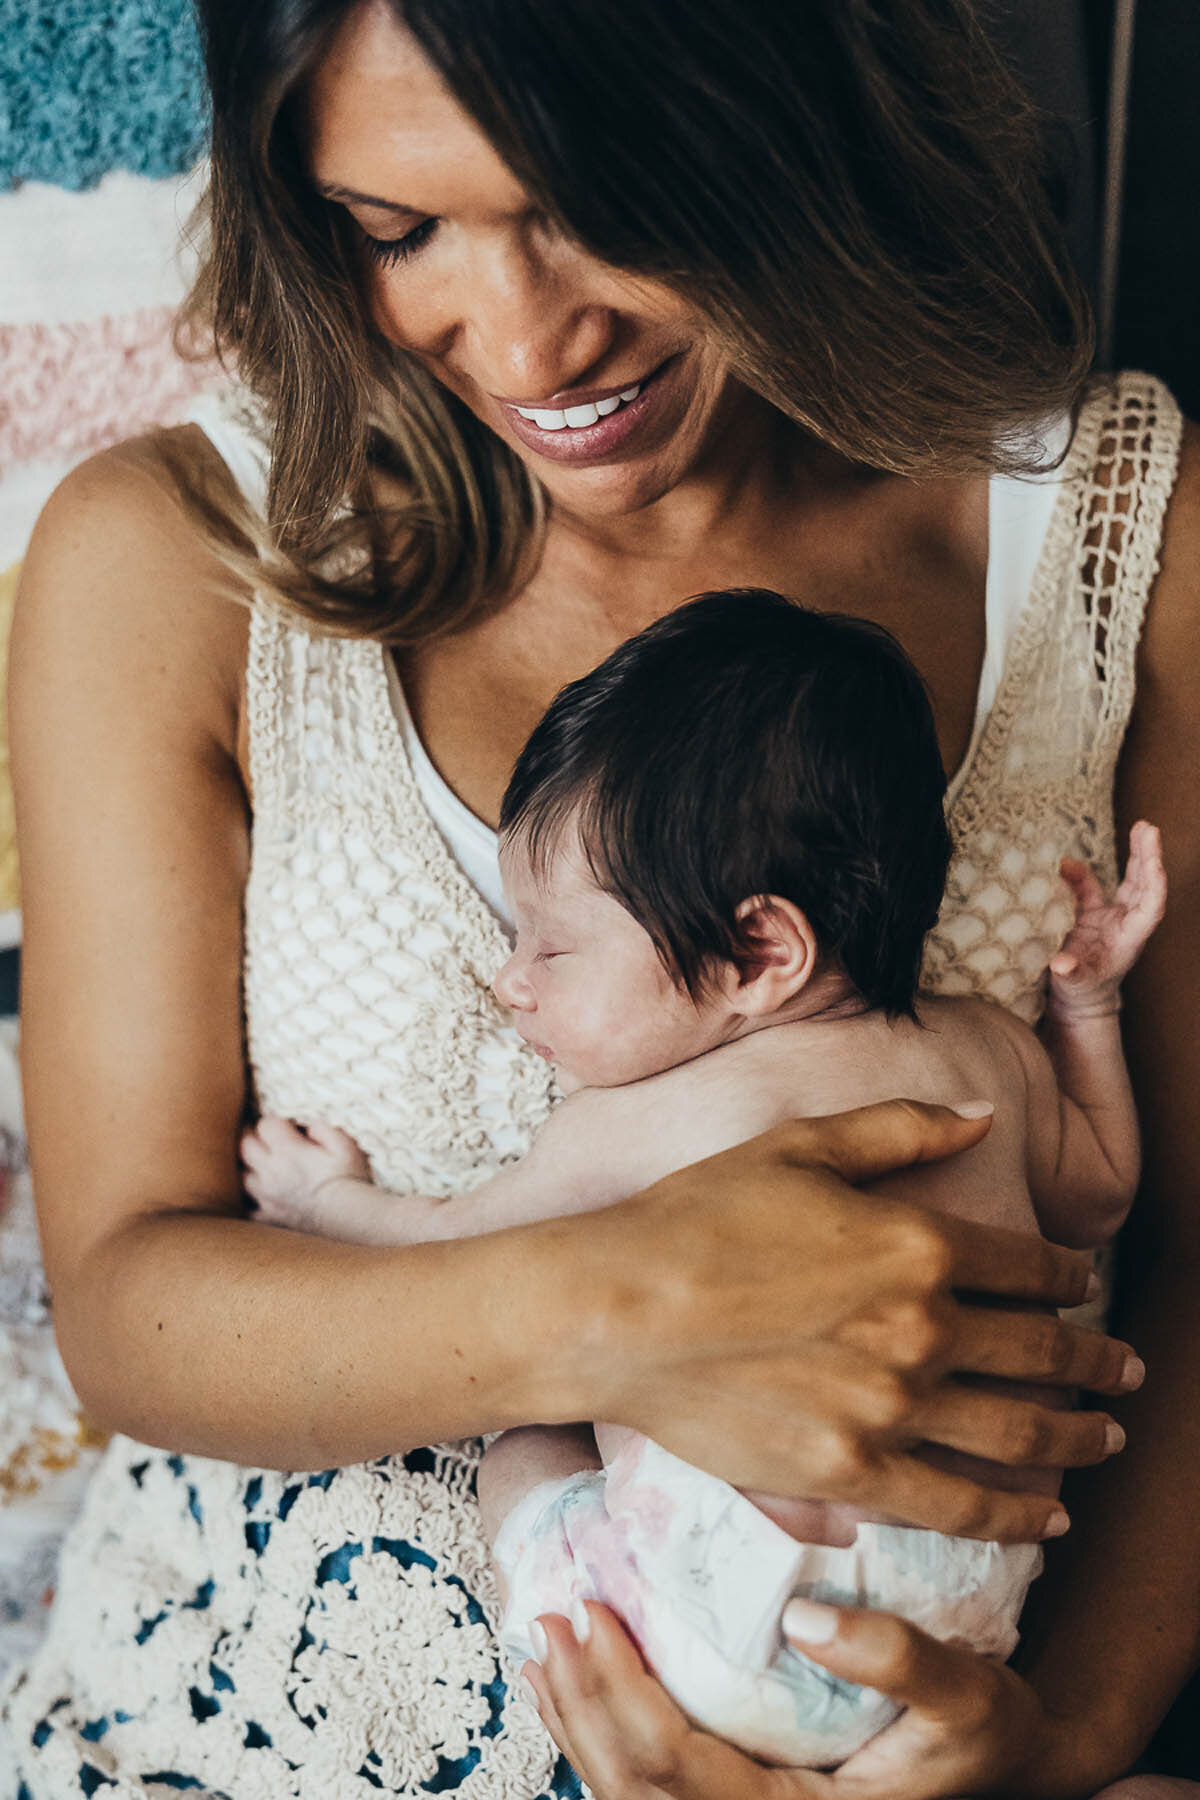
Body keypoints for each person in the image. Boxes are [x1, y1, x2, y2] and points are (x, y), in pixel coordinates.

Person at [1, 0, 1197, 1793]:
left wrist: (1057, 1743)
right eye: (398, 231)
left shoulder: (1118, 536)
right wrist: (643, 1313)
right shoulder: (171, 563)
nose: (524, 334)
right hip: (244, 1732)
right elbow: (129, 1303)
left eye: (598, 199)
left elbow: (1186, 1246)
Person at [239, 589, 1167, 1768]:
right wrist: (1087, 1008)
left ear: (760, 952)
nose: (509, 980)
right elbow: (1099, 1199)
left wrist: (325, 1203)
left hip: (699, 1611)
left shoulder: (634, 1120)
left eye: (553, 946)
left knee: (525, 1428)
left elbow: (450, 1250)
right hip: (961, 1616)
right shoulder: (990, 1051)